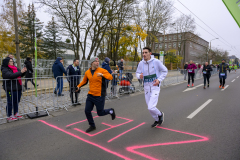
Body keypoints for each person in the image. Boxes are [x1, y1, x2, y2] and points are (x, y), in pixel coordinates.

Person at [76, 57, 116, 133]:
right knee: (87, 111)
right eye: (95, 61)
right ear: (91, 63)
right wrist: (78, 86)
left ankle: (111, 111)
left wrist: (103, 75)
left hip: (99, 95)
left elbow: (110, 77)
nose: (97, 63)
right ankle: (92, 126)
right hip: (91, 95)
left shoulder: (102, 70)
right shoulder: (87, 72)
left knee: (100, 113)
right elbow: (84, 81)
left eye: (98, 61)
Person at [136, 47, 168, 128]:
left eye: (146, 52)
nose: (144, 54)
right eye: (143, 53)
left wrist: (159, 80)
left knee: (151, 106)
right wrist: (139, 76)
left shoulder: (156, 62)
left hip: (155, 87)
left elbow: (165, 70)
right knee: (149, 108)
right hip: (146, 88)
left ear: (150, 53)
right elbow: (137, 73)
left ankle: (160, 114)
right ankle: (157, 119)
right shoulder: (141, 63)